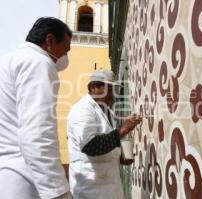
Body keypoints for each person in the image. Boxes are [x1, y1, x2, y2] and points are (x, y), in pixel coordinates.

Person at [0, 17, 72, 199]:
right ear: (49, 40)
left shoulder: (7, 61)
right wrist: (58, 191)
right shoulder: (38, 62)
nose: (65, 57)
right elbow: (37, 131)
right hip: (23, 177)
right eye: (65, 49)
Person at [67, 69, 141, 199]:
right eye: (109, 89)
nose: (112, 95)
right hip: (91, 190)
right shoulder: (82, 110)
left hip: (109, 187)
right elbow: (90, 146)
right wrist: (123, 130)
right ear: (94, 87)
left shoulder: (107, 111)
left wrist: (120, 157)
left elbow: (107, 142)